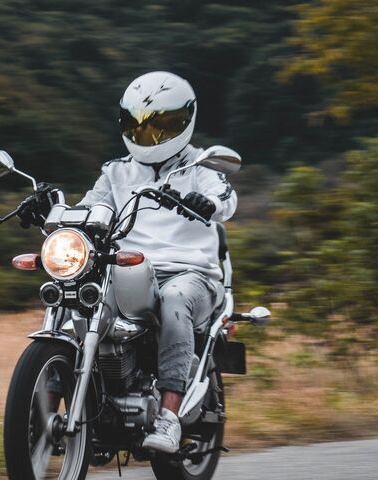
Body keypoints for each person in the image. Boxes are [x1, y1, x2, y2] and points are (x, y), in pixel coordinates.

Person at [21, 71, 237, 453]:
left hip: (190, 272)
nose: (149, 135)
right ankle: (47, 417)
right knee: (74, 297)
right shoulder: (116, 172)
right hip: (128, 264)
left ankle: (169, 417)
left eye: (162, 125)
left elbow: (224, 198)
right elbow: (88, 209)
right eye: (140, 125)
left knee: (174, 302)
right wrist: (50, 206)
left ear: (186, 120)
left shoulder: (202, 167)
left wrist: (209, 204)